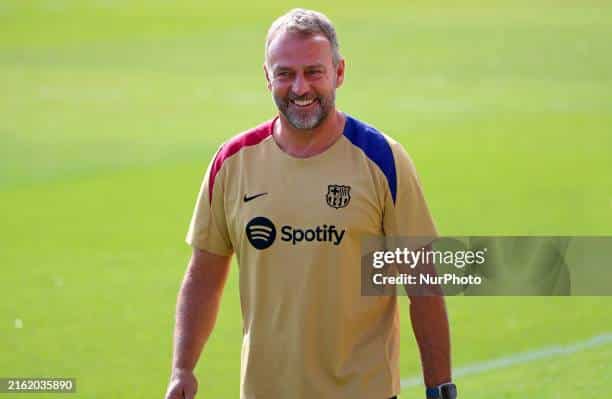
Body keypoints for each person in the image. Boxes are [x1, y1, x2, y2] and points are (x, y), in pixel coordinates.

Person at [164, 8, 456, 399]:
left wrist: (440, 388)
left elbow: (422, 281)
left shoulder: (382, 159)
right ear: (267, 77)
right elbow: (204, 274)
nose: (300, 87)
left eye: (313, 72)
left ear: (338, 72)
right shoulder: (233, 162)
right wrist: (183, 368)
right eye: (285, 74)